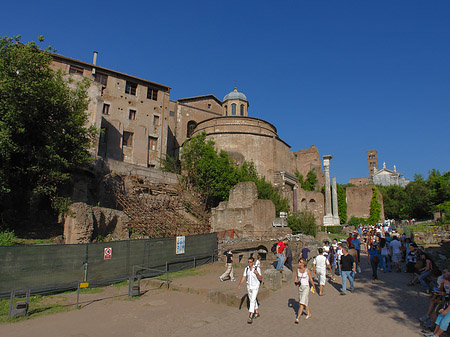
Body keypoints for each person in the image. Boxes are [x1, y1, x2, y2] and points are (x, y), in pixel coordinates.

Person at [237, 256, 262, 324]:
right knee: (252, 300)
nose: (249, 263)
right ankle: (257, 312)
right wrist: (239, 284)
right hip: (249, 286)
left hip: (255, 286)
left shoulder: (257, 268)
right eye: (248, 262)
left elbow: (261, 278)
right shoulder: (246, 269)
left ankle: (250, 316)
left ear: (253, 262)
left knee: (253, 300)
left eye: (250, 262)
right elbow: (244, 277)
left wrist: (257, 274)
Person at [294, 258, 315, 324]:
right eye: (299, 262)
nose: (299, 263)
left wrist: (313, 286)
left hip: (306, 287)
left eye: (300, 262)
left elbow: (310, 279)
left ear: (303, 264)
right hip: (300, 287)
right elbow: (296, 277)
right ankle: (309, 314)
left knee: (301, 303)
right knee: (304, 301)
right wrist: (295, 282)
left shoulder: (307, 270)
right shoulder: (297, 270)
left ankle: (298, 318)